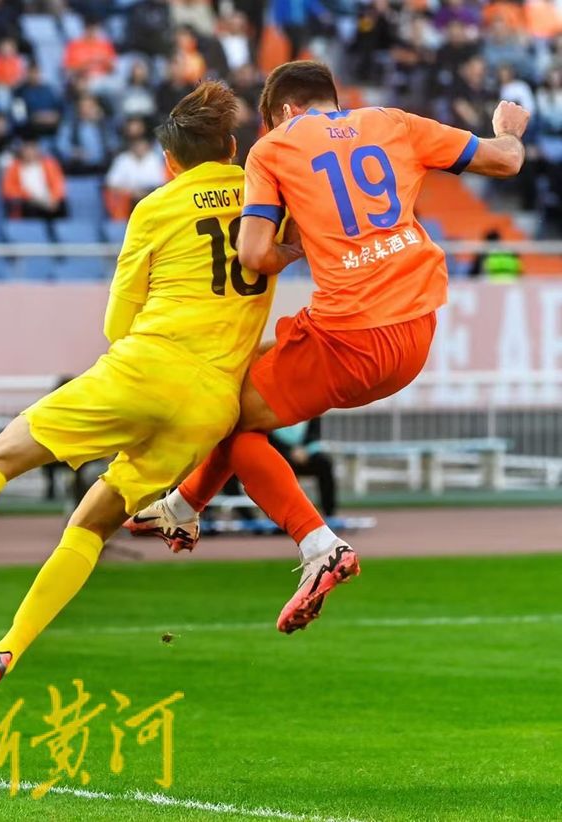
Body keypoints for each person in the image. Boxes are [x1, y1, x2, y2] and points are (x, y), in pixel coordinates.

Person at [0, 82, 280, 706]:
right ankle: (10, 646)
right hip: (212, 405)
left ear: (170, 162)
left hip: (146, 368)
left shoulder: (156, 208)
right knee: (92, 523)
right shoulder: (266, 200)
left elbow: (117, 326)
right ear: (231, 147)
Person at [127, 60, 530, 633]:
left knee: (225, 412)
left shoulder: (274, 148)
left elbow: (254, 254)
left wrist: (296, 247)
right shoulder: (394, 122)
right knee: (245, 382)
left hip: (350, 333)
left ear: (285, 111)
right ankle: (182, 508)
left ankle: (318, 546)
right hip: (415, 333)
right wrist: (507, 127)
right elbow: (506, 160)